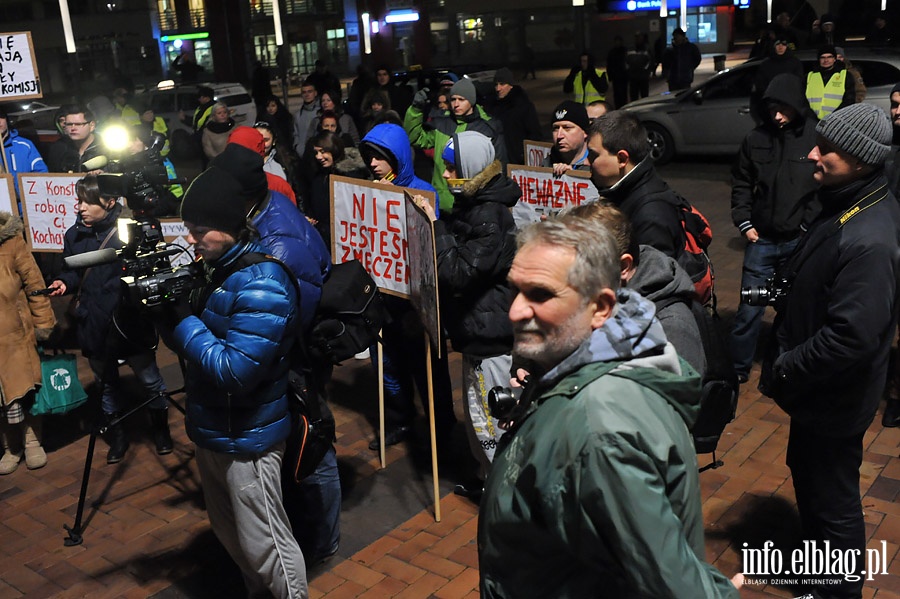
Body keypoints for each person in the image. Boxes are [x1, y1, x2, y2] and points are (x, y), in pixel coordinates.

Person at [477, 215, 742, 598]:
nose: (515, 311)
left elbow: (669, 584)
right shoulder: (589, 370)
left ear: (601, 307)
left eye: (541, 294)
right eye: (516, 290)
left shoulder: (599, 432)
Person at [761, 103, 900, 599]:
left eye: (828, 151)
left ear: (861, 160)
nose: (812, 155)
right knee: (814, 481)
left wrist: (785, 366)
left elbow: (852, 337)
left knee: (834, 499)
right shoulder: (848, 198)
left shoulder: (870, 238)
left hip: (834, 397)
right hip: (818, 392)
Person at [159, 168, 309, 598]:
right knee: (234, 538)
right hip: (213, 429)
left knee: (268, 547)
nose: (191, 239)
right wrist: (164, 316)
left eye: (199, 230)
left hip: (250, 436)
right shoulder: (214, 268)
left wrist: (181, 321)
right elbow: (196, 349)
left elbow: (235, 372)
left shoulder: (263, 283)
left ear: (227, 228)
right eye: (188, 229)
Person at [207, 138, 341, 564]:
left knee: (312, 445)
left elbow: (287, 317)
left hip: (298, 357)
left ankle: (323, 541)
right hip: (288, 353)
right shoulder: (262, 215)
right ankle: (304, 525)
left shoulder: (277, 241)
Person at [412, 131, 521, 497]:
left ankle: (502, 491)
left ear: (472, 166)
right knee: (478, 413)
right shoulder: (475, 202)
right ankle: (486, 478)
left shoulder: (490, 215)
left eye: (452, 167)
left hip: (491, 337)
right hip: (476, 331)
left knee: (492, 418)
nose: (446, 174)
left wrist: (435, 226)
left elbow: (457, 272)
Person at [48, 175, 173, 464]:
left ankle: (161, 430)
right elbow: (71, 270)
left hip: (129, 321)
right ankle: (117, 437)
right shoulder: (74, 235)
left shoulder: (128, 231)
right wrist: (63, 283)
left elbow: (152, 266)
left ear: (109, 202)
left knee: (150, 379)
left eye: (86, 202)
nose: (79, 207)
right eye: (78, 201)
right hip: (93, 321)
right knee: (105, 385)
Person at [357, 123, 457, 449]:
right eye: (369, 156)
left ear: (397, 158)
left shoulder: (422, 192)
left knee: (427, 370)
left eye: (380, 157)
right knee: (388, 367)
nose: (373, 163)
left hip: (415, 302)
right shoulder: (365, 192)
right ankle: (399, 420)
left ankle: (441, 428)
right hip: (381, 299)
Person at [729, 74, 820, 384]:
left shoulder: (816, 135)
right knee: (748, 312)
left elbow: (822, 185)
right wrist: (744, 222)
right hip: (761, 239)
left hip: (798, 240)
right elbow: (741, 181)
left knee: (791, 311)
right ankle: (737, 371)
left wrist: (807, 225)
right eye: (772, 109)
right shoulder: (755, 139)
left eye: (783, 108)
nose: (777, 116)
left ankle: (780, 367)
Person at [565, 201, 705, 373]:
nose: (568, 280)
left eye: (581, 267)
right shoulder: (593, 299)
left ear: (623, 267)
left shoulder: (672, 325)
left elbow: (680, 395)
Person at [0, 211, 56, 474]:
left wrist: (43, 322)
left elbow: (34, 284)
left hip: (15, 336)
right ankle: (11, 447)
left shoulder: (11, 241)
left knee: (26, 390)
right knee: (1, 398)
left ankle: (33, 441)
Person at [587, 111, 685, 259]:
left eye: (593, 155)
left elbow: (653, 276)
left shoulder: (651, 214)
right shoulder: (622, 190)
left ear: (622, 159)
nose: (587, 162)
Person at [405, 78, 507, 212]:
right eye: (453, 99)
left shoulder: (487, 129)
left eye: (461, 99)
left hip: (472, 206)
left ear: (471, 101)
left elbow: (499, 168)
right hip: (440, 203)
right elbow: (415, 138)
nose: (456, 104)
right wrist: (415, 110)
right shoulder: (441, 124)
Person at [301, 130, 368, 246]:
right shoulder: (319, 174)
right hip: (323, 237)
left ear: (334, 150)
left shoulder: (350, 176)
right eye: (316, 152)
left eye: (323, 152)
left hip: (344, 240)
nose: (319, 157)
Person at [488, 67, 542, 165]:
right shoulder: (492, 106)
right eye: (496, 84)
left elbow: (535, 134)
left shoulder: (523, 106)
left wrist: (523, 155)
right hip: (498, 160)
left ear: (511, 85)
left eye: (502, 84)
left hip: (518, 161)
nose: (498, 88)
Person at [751, 37, 805, 122]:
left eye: (783, 45)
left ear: (787, 46)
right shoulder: (766, 64)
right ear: (773, 46)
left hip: (790, 104)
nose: (780, 47)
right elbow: (760, 85)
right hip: (770, 105)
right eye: (778, 44)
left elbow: (799, 83)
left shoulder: (795, 62)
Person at [0, 106, 48, 198]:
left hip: (23, 206)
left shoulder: (24, 145)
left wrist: (19, 188)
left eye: (1, 117)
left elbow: (42, 173)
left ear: (7, 119)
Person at [46, 105, 104, 173]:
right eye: (69, 124)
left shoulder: (106, 148)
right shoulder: (58, 149)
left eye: (78, 124)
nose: (73, 128)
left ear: (92, 126)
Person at [805, 45, 856, 120]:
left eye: (829, 57)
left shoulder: (845, 75)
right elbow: (802, 99)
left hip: (837, 120)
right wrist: (809, 115)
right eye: (822, 57)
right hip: (812, 120)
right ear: (819, 59)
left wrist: (834, 117)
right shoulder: (810, 76)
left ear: (835, 59)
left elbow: (849, 100)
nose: (826, 60)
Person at [542, 101, 591, 175]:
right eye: (556, 128)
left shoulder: (597, 166)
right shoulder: (547, 164)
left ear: (585, 132)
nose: (559, 136)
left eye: (567, 127)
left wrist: (574, 177)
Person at [293, 81, 321, 157]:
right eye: (304, 92)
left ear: (315, 93)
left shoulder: (321, 112)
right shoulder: (298, 115)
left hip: (318, 154)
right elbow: (296, 134)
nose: (307, 94)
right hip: (302, 155)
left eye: (310, 91)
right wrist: (297, 147)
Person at [625, 33, 653, 102]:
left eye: (639, 37)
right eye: (636, 37)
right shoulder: (630, 48)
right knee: (634, 96)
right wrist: (629, 70)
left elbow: (650, 61)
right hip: (633, 77)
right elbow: (626, 61)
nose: (638, 39)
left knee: (644, 96)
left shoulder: (647, 49)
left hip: (643, 77)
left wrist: (646, 71)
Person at [607, 36, 629, 108]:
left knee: (623, 93)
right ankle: (619, 106)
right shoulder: (613, 52)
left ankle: (622, 106)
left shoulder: (624, 51)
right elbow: (609, 65)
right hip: (616, 76)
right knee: (617, 93)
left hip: (622, 75)